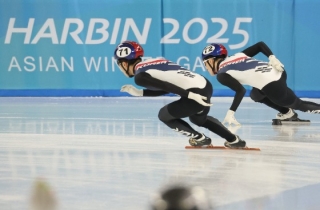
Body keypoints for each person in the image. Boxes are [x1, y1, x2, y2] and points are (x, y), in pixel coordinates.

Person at [114, 40, 246, 148]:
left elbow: (167, 86)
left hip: (194, 93)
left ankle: (199, 138)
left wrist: (190, 95)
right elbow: (168, 88)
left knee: (163, 115)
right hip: (204, 85)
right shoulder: (155, 61)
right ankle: (234, 140)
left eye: (119, 65)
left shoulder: (140, 76)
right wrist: (139, 93)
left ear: (124, 63)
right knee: (198, 119)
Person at [201, 41, 320, 126]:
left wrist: (231, 112)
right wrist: (272, 58)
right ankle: (287, 113)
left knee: (297, 104)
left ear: (214, 60)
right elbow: (260, 45)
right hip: (277, 69)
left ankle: (290, 110)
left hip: (272, 84)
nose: (206, 67)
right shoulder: (237, 55)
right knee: (256, 95)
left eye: (207, 62)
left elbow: (240, 91)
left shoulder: (222, 74)